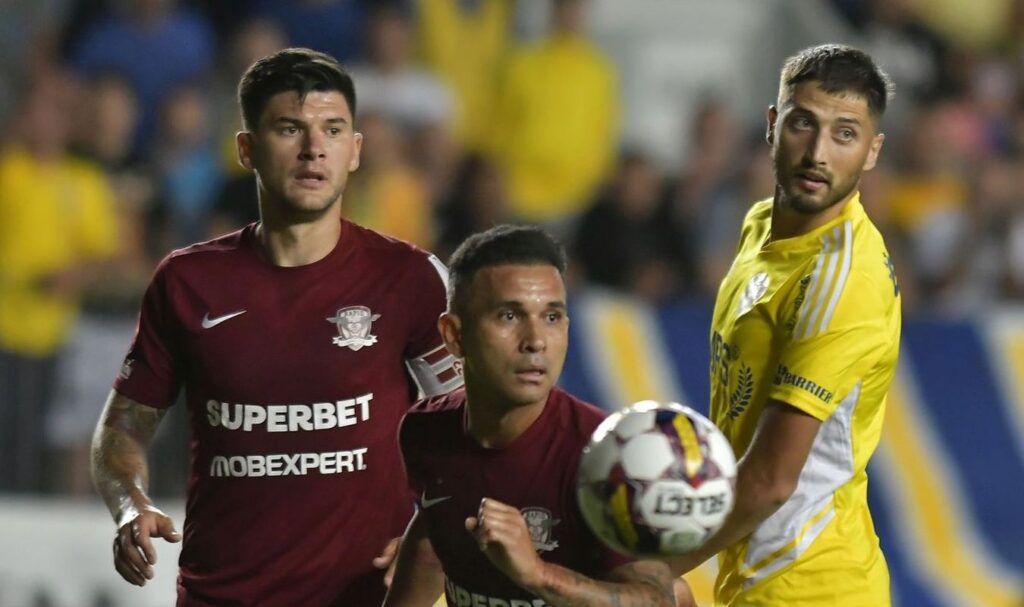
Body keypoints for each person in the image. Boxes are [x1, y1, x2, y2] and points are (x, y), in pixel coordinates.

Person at [90, 48, 462, 606]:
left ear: (355, 150)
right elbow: (122, 427)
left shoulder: (411, 279)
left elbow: (472, 430)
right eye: (290, 128)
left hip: (366, 597)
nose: (314, 148)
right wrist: (130, 505)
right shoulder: (188, 281)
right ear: (247, 149)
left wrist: (431, 533)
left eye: (332, 130)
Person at [668, 44, 900, 606]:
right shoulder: (759, 224)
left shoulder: (843, 280)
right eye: (803, 123)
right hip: (755, 577)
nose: (818, 153)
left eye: (845, 134)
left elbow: (771, 479)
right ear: (773, 125)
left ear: (872, 151)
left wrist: (646, 569)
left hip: (812, 586)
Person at [383, 225, 687, 607]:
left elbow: (658, 599)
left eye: (552, 317)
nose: (536, 341)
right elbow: (433, 532)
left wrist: (537, 574)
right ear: (454, 335)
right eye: (509, 316)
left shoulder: (609, 457)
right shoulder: (425, 432)